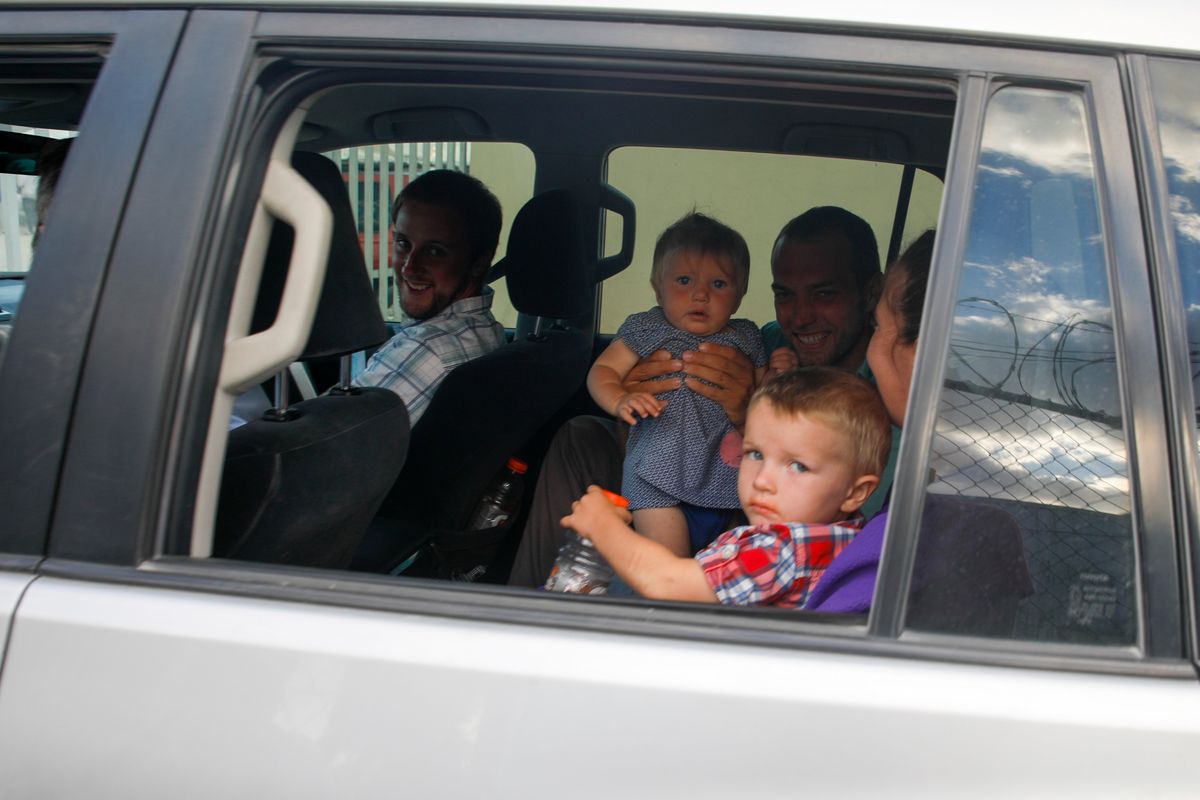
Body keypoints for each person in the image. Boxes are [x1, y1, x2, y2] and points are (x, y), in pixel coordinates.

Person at [508, 205, 888, 588]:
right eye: (785, 295)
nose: (801, 317)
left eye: (824, 294)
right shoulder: (769, 338)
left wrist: (746, 410)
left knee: (665, 569)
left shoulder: (887, 398)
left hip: (744, 495)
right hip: (665, 463)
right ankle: (532, 603)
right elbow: (611, 381)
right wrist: (632, 400)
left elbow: (817, 504)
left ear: (871, 292)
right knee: (581, 434)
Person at [561, 367, 890, 607]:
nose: (761, 481)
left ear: (855, 493)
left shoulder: (781, 551)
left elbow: (666, 582)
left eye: (798, 466)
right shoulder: (843, 534)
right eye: (755, 453)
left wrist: (602, 527)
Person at [588, 213, 768, 556]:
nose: (700, 295)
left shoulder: (746, 336)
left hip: (724, 479)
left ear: (740, 293)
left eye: (718, 284)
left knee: (720, 571)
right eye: (684, 280)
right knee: (668, 569)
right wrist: (620, 399)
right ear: (657, 286)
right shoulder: (647, 328)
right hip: (655, 476)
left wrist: (780, 371)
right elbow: (603, 372)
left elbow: (767, 396)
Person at [353, 169, 506, 426]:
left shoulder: (428, 351)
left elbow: (318, 455)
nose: (409, 267)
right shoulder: (487, 330)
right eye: (403, 243)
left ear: (478, 263)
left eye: (435, 251)